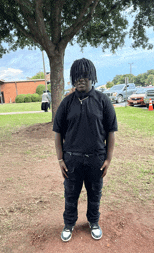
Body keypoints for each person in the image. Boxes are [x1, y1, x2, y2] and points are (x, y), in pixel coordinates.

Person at [53, 58, 118, 242]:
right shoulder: (66, 103)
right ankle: (69, 224)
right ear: (73, 79)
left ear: (92, 77)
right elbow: (57, 132)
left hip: (96, 158)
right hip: (72, 160)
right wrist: (60, 159)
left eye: (85, 76)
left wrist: (108, 159)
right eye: (77, 76)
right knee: (71, 194)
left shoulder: (103, 101)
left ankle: (94, 222)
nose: (81, 80)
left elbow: (111, 131)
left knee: (95, 193)